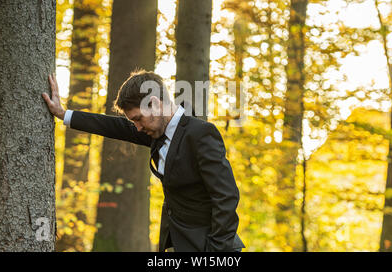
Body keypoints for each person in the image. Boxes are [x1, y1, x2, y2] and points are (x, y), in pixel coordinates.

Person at [42, 70, 245, 252]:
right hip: (178, 243)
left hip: (211, 247)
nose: (137, 127)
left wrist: (217, 251)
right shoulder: (157, 131)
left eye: (138, 118)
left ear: (156, 104)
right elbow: (113, 126)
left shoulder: (200, 134)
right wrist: (63, 114)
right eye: (134, 121)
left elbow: (226, 196)